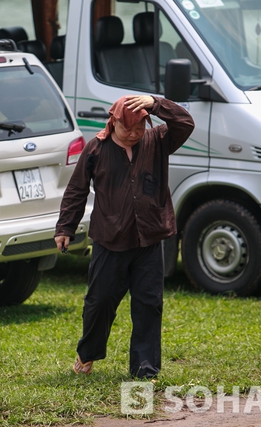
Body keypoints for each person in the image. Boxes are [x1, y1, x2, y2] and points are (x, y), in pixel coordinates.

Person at [54, 94, 194, 378]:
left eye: (138, 129)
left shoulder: (157, 140)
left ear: (146, 122)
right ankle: (87, 354)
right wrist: (65, 227)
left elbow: (185, 122)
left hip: (150, 239)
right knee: (100, 301)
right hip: (111, 240)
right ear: (113, 121)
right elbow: (77, 189)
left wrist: (155, 102)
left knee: (148, 304)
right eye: (126, 129)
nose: (133, 135)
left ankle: (145, 367)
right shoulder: (96, 148)